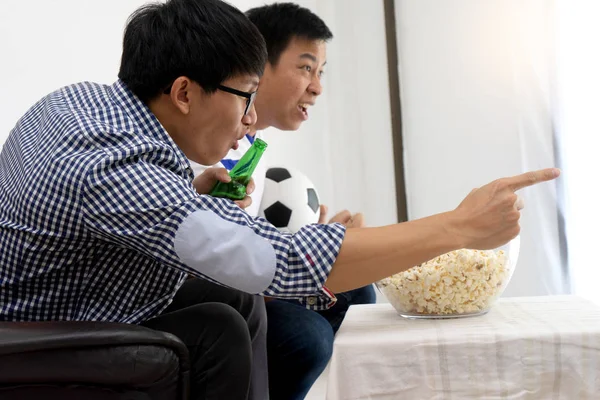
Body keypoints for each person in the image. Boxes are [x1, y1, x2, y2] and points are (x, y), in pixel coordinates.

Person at [0, 1, 559, 400]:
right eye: (245, 95)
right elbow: (277, 262)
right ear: (184, 92)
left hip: (63, 287)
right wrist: (459, 227)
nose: (249, 119)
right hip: (42, 326)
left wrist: (192, 195)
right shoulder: (117, 168)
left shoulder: (81, 102)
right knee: (221, 325)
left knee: (234, 305)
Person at [190, 4, 376, 399]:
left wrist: (312, 238)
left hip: (244, 282)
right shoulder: (202, 139)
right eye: (305, 68)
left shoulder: (258, 152)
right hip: (212, 294)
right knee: (303, 334)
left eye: (320, 72)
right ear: (256, 64)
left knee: (359, 290)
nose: (318, 87)